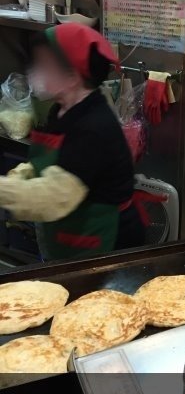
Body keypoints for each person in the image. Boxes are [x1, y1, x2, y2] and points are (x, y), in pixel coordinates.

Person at [0, 24, 145, 260]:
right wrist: (20, 175)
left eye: (44, 65)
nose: (35, 72)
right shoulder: (61, 110)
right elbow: (48, 162)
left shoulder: (94, 127)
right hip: (68, 234)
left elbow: (53, 197)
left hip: (104, 244)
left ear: (71, 76)